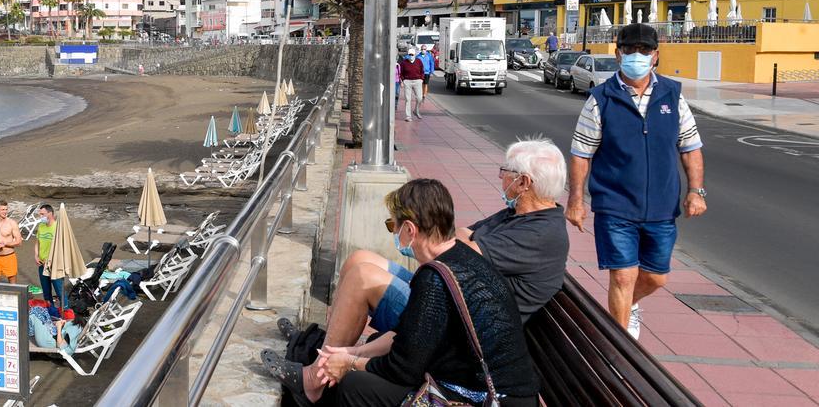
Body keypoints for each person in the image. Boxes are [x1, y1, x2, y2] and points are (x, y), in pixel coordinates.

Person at [269, 140, 568, 393]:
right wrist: (465, 238)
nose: (502, 177)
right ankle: (326, 348)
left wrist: (467, 238)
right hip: (449, 297)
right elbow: (457, 236)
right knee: (360, 259)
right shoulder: (517, 215)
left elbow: (459, 251)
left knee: (363, 277)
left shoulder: (541, 234)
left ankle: (316, 380)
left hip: (456, 324)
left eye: (507, 172)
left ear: (524, 182)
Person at [567, 23, 706, 339]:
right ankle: (619, 349)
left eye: (645, 51)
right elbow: (580, 153)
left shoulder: (672, 94)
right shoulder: (600, 99)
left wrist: (696, 191)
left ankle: (626, 308)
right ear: (618, 54)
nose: (637, 56)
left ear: (656, 56)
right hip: (615, 207)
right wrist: (576, 199)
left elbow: (690, 147)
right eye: (630, 50)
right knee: (623, 277)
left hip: (661, 207)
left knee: (657, 278)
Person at [34, 204, 65, 311]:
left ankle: (66, 313)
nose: (40, 216)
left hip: (54, 265)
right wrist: (36, 255)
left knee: (59, 291)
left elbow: (63, 247)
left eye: (42, 214)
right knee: (46, 292)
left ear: (50, 214)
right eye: (40, 214)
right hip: (42, 265)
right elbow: (37, 243)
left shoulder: (57, 228)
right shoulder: (41, 226)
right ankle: (51, 312)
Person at [400, 49, 425, 122]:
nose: (410, 56)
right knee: (408, 99)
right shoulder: (404, 63)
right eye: (409, 54)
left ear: (415, 55)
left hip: (417, 81)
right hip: (407, 81)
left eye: (412, 55)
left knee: (419, 98)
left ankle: (416, 110)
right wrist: (403, 80)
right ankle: (408, 116)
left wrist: (421, 79)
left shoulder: (418, 61)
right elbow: (401, 73)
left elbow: (422, 71)